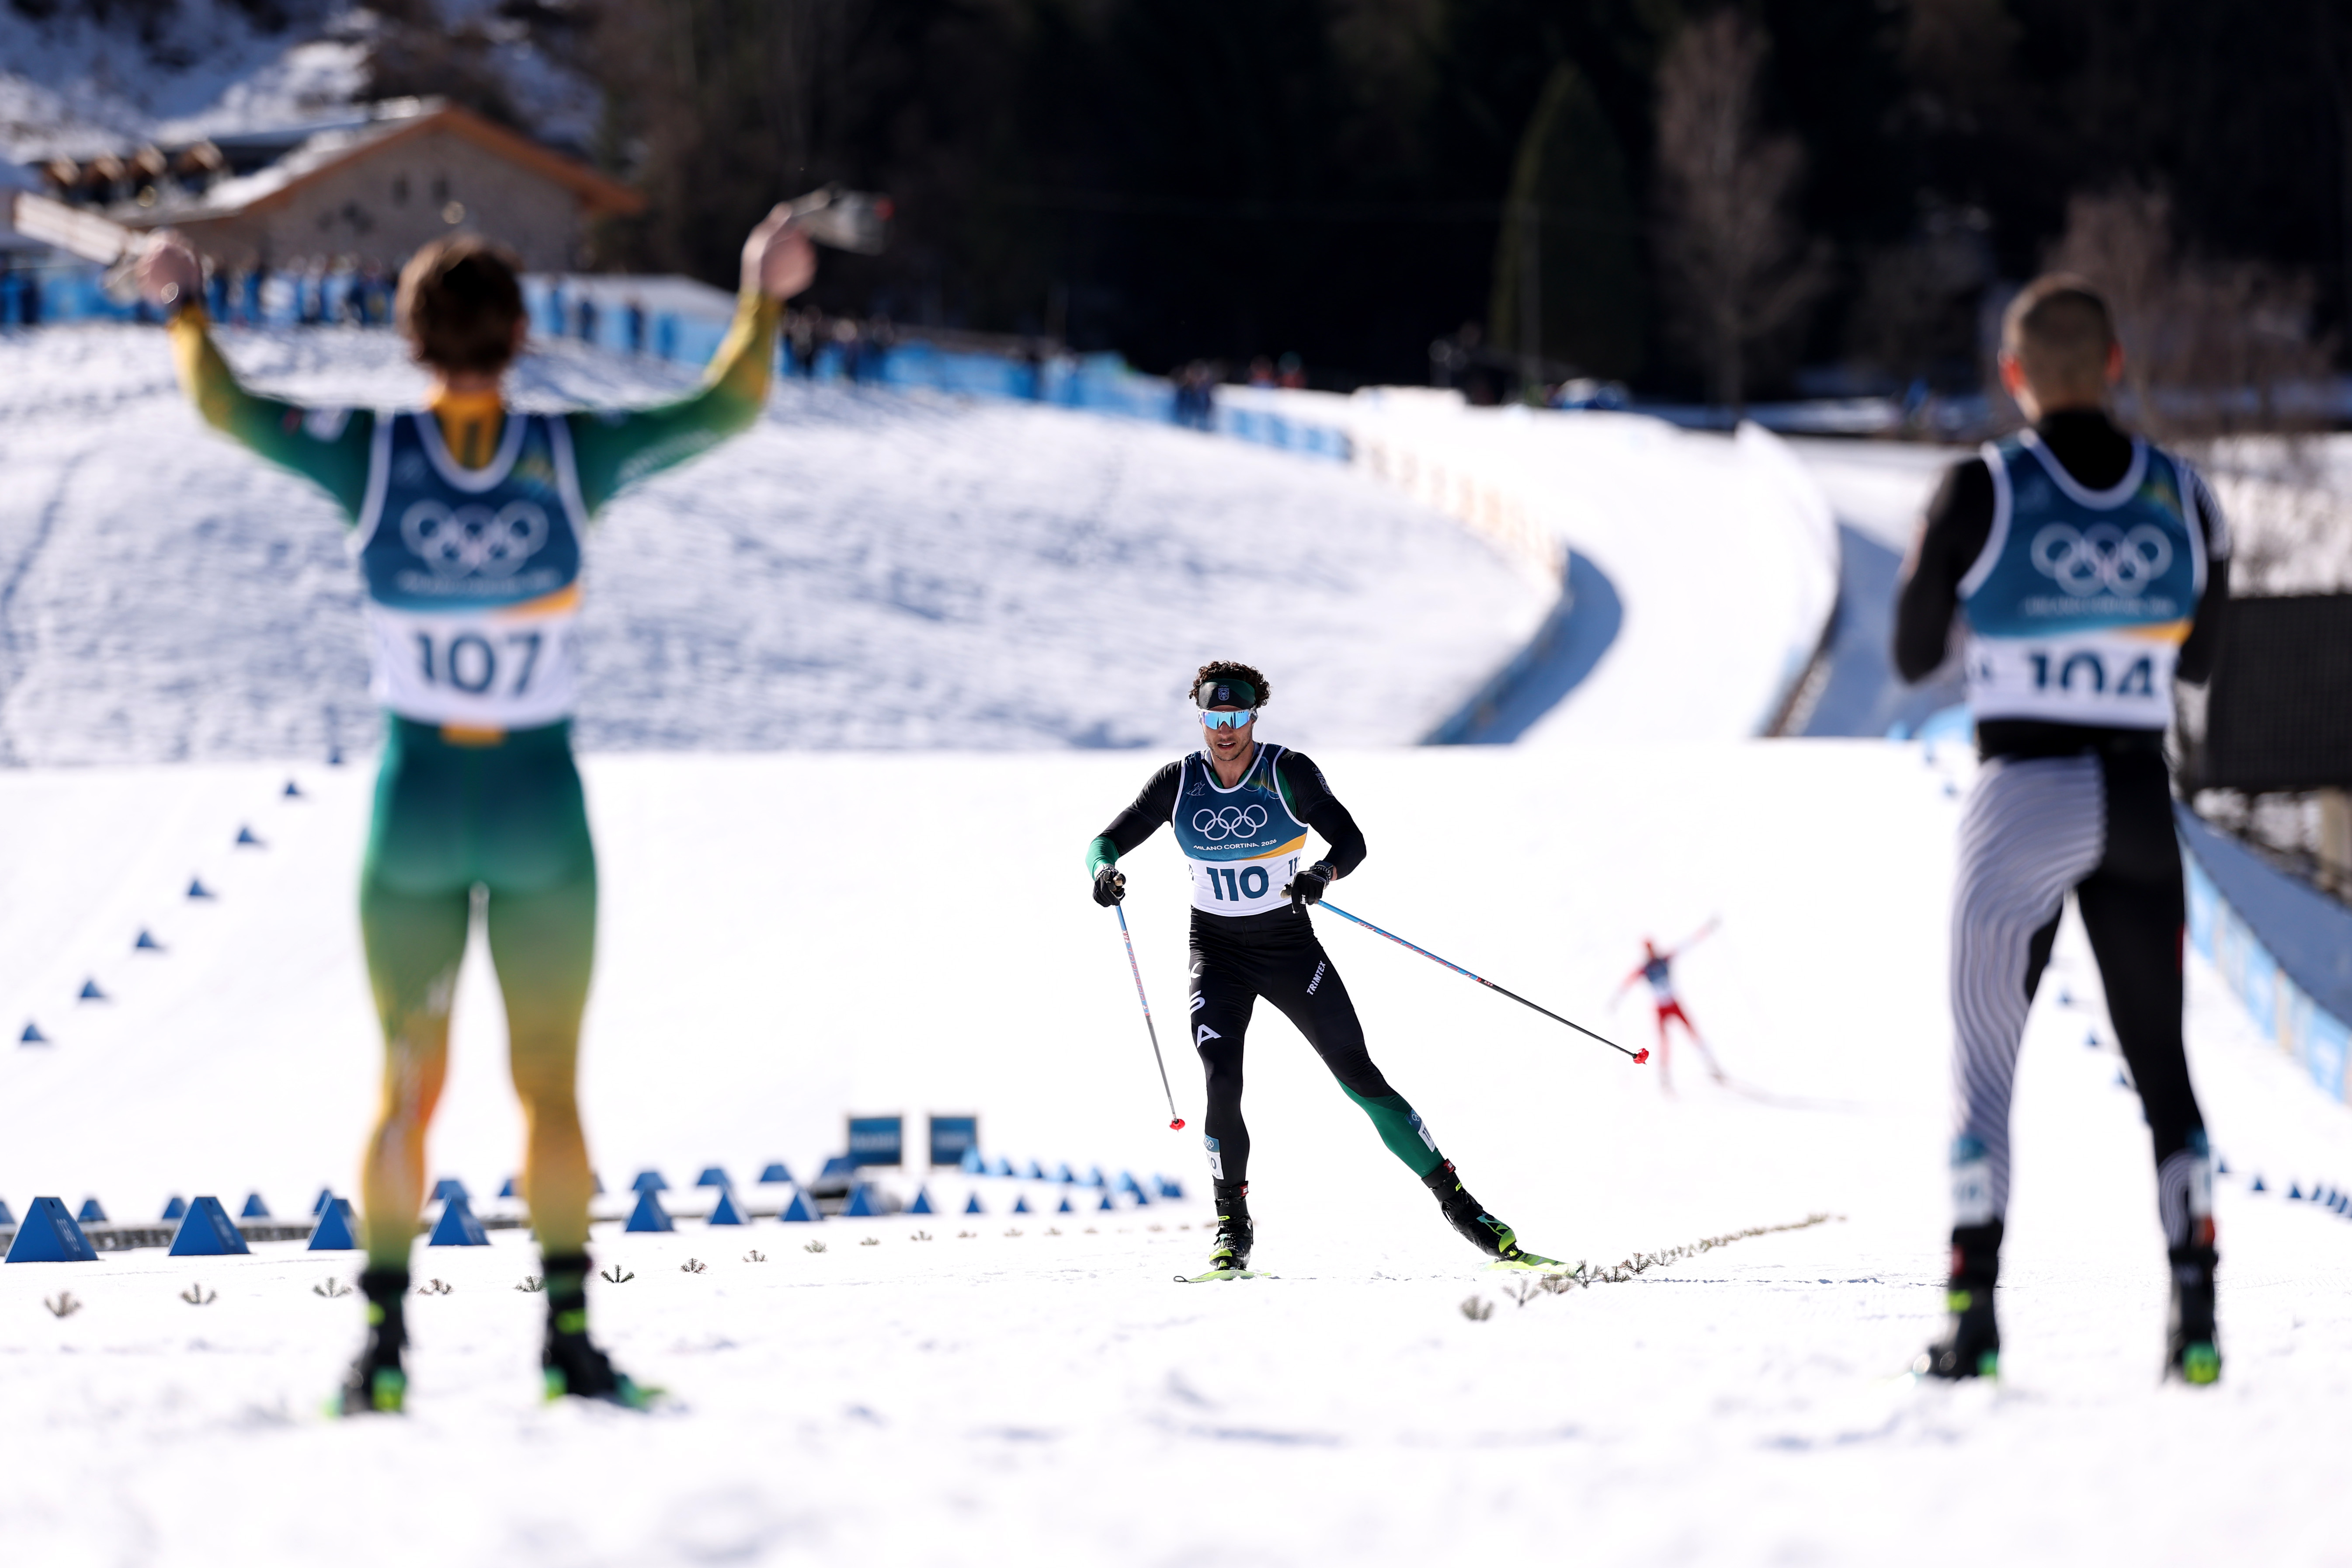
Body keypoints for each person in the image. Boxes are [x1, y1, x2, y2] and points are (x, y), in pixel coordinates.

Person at [137, 205, 816, 1413]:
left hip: (415, 808)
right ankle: (567, 1344)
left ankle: (382, 1355)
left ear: (409, 340)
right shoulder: (566, 454)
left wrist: (187, 308)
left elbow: (223, 408)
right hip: (537, 803)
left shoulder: (374, 455)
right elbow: (725, 408)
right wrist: (762, 292)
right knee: (549, 1088)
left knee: (407, 1088)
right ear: (520, 333)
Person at [1893, 275, 2229, 1384]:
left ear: (2012, 375)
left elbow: (1907, 653)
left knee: (1982, 1068)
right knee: (2162, 1070)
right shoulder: (2185, 495)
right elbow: (2200, 660)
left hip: (2021, 795)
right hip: (2136, 798)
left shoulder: (1979, 486)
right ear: (2116, 363)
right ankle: (2193, 1317)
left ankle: (1971, 1316)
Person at [1083, 661, 1547, 1276]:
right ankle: (1232, 1230)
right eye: (1215, 717)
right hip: (1216, 955)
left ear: (1254, 715)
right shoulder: (1178, 782)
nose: (1226, 730)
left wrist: (1322, 873)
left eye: (1238, 716)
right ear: (1200, 716)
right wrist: (1103, 873)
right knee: (1220, 1081)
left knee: (1359, 1075)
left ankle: (1466, 1212)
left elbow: (1350, 840)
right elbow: (1105, 841)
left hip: (1288, 951)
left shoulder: (1287, 772)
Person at [1613, 929, 1723, 1092]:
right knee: (1664, 1042)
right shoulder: (1645, 968)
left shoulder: (1664, 960)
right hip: (1661, 1008)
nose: (1651, 952)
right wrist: (1616, 999)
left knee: (1693, 1033)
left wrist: (1706, 930)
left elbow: (1685, 946)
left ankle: (1712, 1066)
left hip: (1674, 1004)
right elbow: (1629, 980)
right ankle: (1664, 1077)